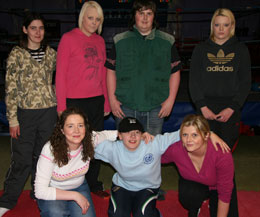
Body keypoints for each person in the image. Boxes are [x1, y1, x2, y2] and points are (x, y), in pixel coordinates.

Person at [94, 116, 228, 217]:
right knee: (118, 215)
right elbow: (87, 140)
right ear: (119, 135)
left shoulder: (153, 143)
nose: (133, 136)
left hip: (147, 187)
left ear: (142, 134)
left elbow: (182, 133)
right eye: (127, 132)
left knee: (142, 214)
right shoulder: (111, 148)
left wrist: (210, 134)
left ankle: (155, 213)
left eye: (136, 132)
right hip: (122, 186)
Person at [0, 12, 57, 217]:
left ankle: (38, 191)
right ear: (25, 29)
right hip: (25, 115)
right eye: (33, 28)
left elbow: (60, 79)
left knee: (44, 157)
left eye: (41, 28)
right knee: (22, 159)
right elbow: (11, 89)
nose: (37, 32)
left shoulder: (51, 53)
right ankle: (7, 200)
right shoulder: (17, 54)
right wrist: (13, 119)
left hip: (48, 113)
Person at [56, 1, 110, 198]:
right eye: (90, 18)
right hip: (74, 102)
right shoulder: (68, 39)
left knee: (94, 144)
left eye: (98, 19)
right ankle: (71, 183)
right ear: (82, 17)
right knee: (73, 145)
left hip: (96, 100)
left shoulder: (100, 41)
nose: (94, 22)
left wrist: (106, 101)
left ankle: (93, 182)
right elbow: (60, 75)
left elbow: (103, 73)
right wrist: (61, 106)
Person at [106, 0, 181, 136]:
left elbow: (175, 73)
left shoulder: (167, 41)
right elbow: (111, 71)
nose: (145, 18)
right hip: (125, 106)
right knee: (127, 151)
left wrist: (170, 101)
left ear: (154, 16)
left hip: (156, 107)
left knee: (151, 152)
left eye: (149, 13)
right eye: (141, 13)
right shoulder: (120, 41)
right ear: (134, 15)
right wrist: (112, 100)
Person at [34, 107, 118, 217]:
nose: (76, 131)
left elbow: (108, 134)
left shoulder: (90, 139)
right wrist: (75, 195)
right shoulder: (50, 149)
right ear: (62, 130)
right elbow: (40, 191)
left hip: (79, 186)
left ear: (85, 128)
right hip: (54, 188)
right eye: (70, 126)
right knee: (56, 213)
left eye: (80, 125)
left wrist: (139, 133)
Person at [189, 8, 251, 150]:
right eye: (217, 25)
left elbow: (245, 82)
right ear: (212, 26)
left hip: (230, 109)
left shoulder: (241, 50)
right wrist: (202, 107)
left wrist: (232, 108)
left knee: (225, 152)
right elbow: (194, 81)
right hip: (205, 108)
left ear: (232, 26)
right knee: (203, 151)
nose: (221, 29)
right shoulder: (201, 49)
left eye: (225, 25)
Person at [162, 114, 238, 217]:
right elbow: (153, 157)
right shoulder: (177, 150)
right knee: (188, 195)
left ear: (206, 136)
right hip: (195, 185)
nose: (188, 140)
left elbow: (225, 193)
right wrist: (143, 140)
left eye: (194, 135)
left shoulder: (222, 154)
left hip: (217, 186)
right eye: (185, 135)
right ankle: (196, 206)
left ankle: (212, 204)